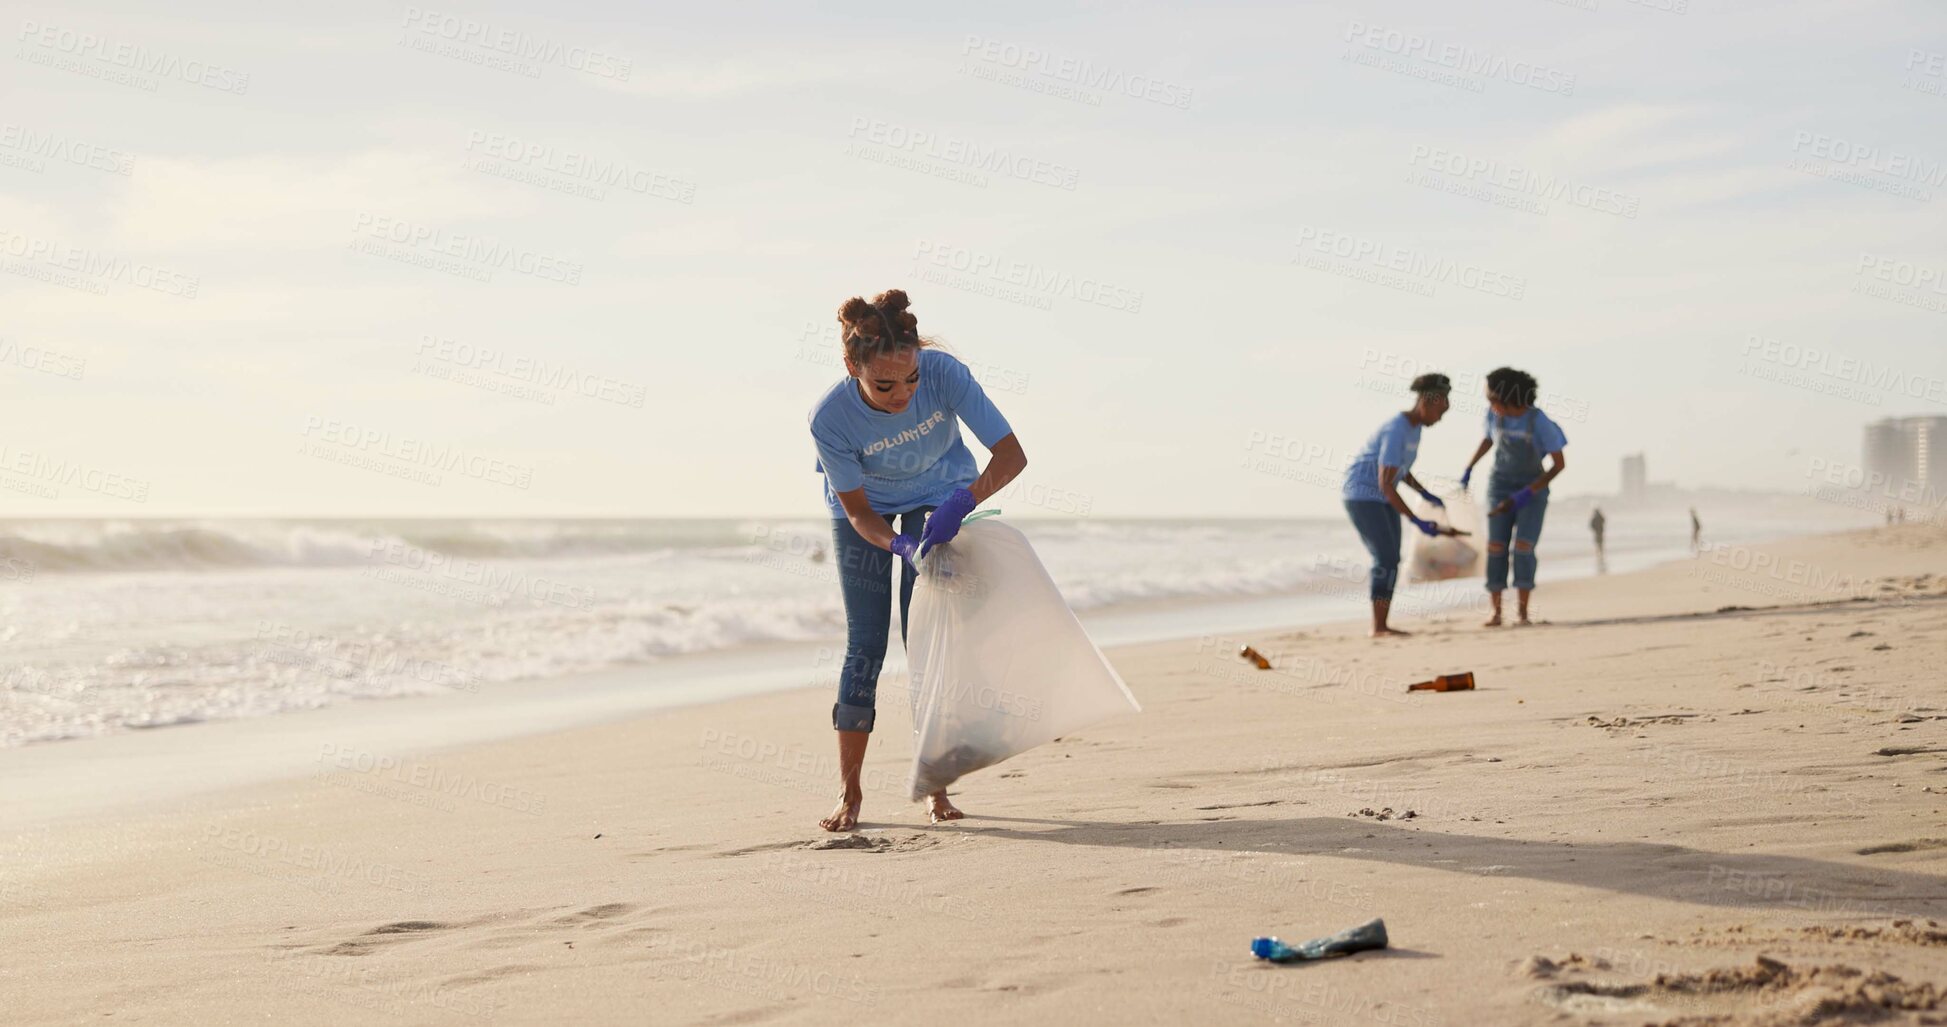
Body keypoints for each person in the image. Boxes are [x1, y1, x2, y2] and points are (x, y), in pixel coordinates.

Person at [809, 289, 1027, 832]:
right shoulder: (830, 419)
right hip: (868, 511)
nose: (902, 394)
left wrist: (963, 501)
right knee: (866, 643)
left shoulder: (945, 374)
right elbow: (859, 513)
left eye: (910, 379)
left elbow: (1012, 455)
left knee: (926, 636)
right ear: (851, 367)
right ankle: (850, 792)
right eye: (884, 385)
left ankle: (935, 785)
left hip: (940, 492)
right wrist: (901, 546)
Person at [1341, 373, 1461, 638]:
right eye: (1441, 411)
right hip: (1362, 495)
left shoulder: (1414, 429)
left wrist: (1426, 494)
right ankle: (1378, 627)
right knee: (1384, 558)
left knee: (1393, 558)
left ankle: (1383, 624)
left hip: (1383, 495)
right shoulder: (1397, 429)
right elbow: (1386, 482)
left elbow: (1401, 470)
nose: (1440, 419)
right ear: (1428, 402)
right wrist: (1416, 520)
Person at [1459, 367, 1568, 627]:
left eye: (1491, 398)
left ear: (1507, 396)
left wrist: (1527, 493)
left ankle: (1522, 613)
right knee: (1496, 547)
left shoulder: (1539, 422)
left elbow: (1559, 464)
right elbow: (1487, 440)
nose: (1489, 404)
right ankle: (1495, 613)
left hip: (1533, 488)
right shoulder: (1494, 416)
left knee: (1523, 547)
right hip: (1500, 485)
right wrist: (1469, 467)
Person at [1590, 505, 1608, 574]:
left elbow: (1591, 525)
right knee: (1600, 543)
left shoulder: (1595, 517)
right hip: (1600, 532)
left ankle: (1599, 553)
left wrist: (1595, 529)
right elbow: (1604, 521)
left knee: (1598, 543)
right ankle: (1600, 553)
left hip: (1598, 532)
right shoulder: (1600, 517)